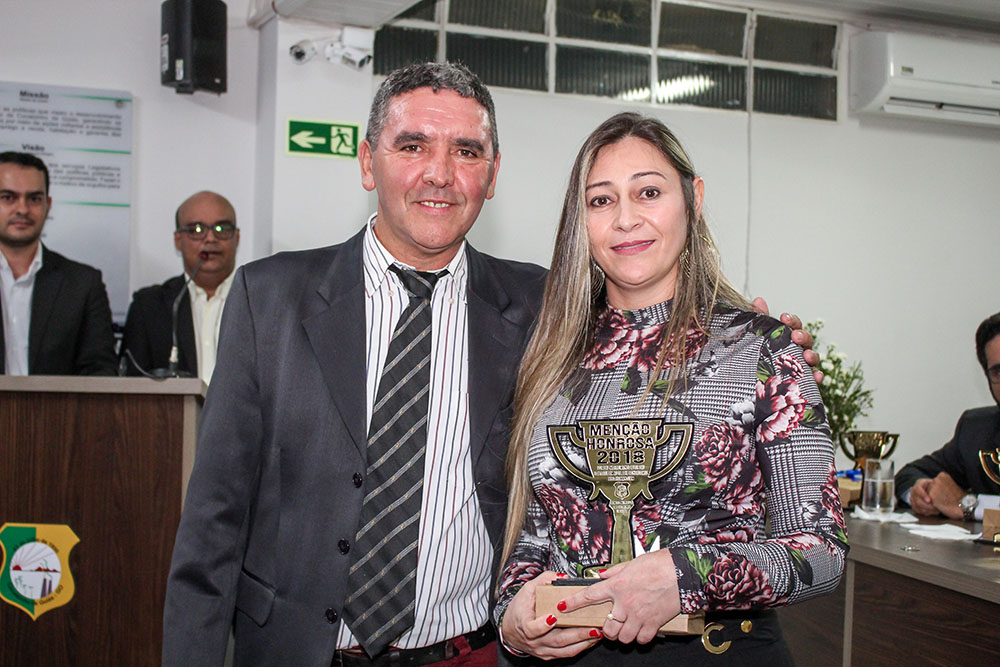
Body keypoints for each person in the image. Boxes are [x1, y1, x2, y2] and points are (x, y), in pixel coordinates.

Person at [162, 64, 819, 667]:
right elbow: (213, 523)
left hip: (472, 654)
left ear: (493, 174)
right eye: (412, 146)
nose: (440, 173)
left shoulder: (545, 310)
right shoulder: (269, 298)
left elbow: (657, 322)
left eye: (466, 151)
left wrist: (767, 348)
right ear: (367, 162)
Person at [495, 113, 847, 664]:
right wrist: (511, 613)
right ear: (580, 222)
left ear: (693, 199)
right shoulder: (549, 356)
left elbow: (822, 551)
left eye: (649, 192)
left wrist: (687, 576)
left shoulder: (760, 349)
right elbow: (536, 531)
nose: (625, 219)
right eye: (601, 200)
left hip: (717, 652)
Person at [0, 151, 116, 375]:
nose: (22, 209)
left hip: (58, 401)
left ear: (48, 205)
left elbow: (100, 371)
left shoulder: (83, 284)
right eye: (8, 198)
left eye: (34, 199)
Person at [120, 191, 240, 383]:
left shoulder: (263, 303)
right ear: (178, 240)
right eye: (197, 230)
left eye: (222, 228)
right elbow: (132, 386)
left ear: (237, 237)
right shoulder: (148, 307)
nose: (210, 238)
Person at [895, 312, 1000, 521]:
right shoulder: (976, 430)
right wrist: (923, 493)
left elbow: (959, 503)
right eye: (998, 372)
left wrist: (969, 505)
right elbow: (909, 474)